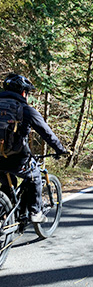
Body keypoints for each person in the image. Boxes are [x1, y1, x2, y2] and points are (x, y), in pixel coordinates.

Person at [0, 74, 67, 223]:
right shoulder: (25, 110)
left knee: (6, 181)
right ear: (23, 92)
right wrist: (60, 149)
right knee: (35, 175)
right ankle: (35, 212)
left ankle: (5, 213)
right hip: (16, 158)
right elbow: (47, 133)